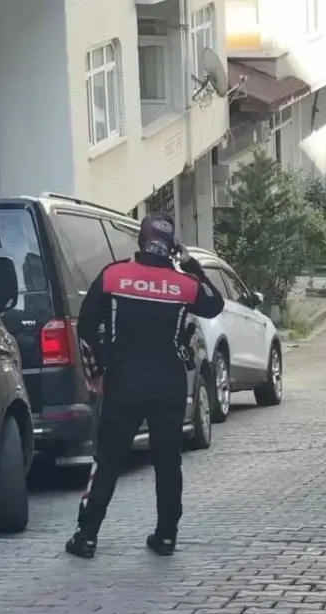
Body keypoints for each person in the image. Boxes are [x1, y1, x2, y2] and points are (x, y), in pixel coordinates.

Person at [65, 212, 225, 560]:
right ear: (172, 245)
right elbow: (215, 304)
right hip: (169, 384)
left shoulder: (112, 275)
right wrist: (191, 264)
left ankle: (86, 537)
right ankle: (166, 536)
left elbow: (86, 326)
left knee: (108, 460)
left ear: (141, 240)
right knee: (167, 462)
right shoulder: (185, 284)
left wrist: (96, 371)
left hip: (123, 381)